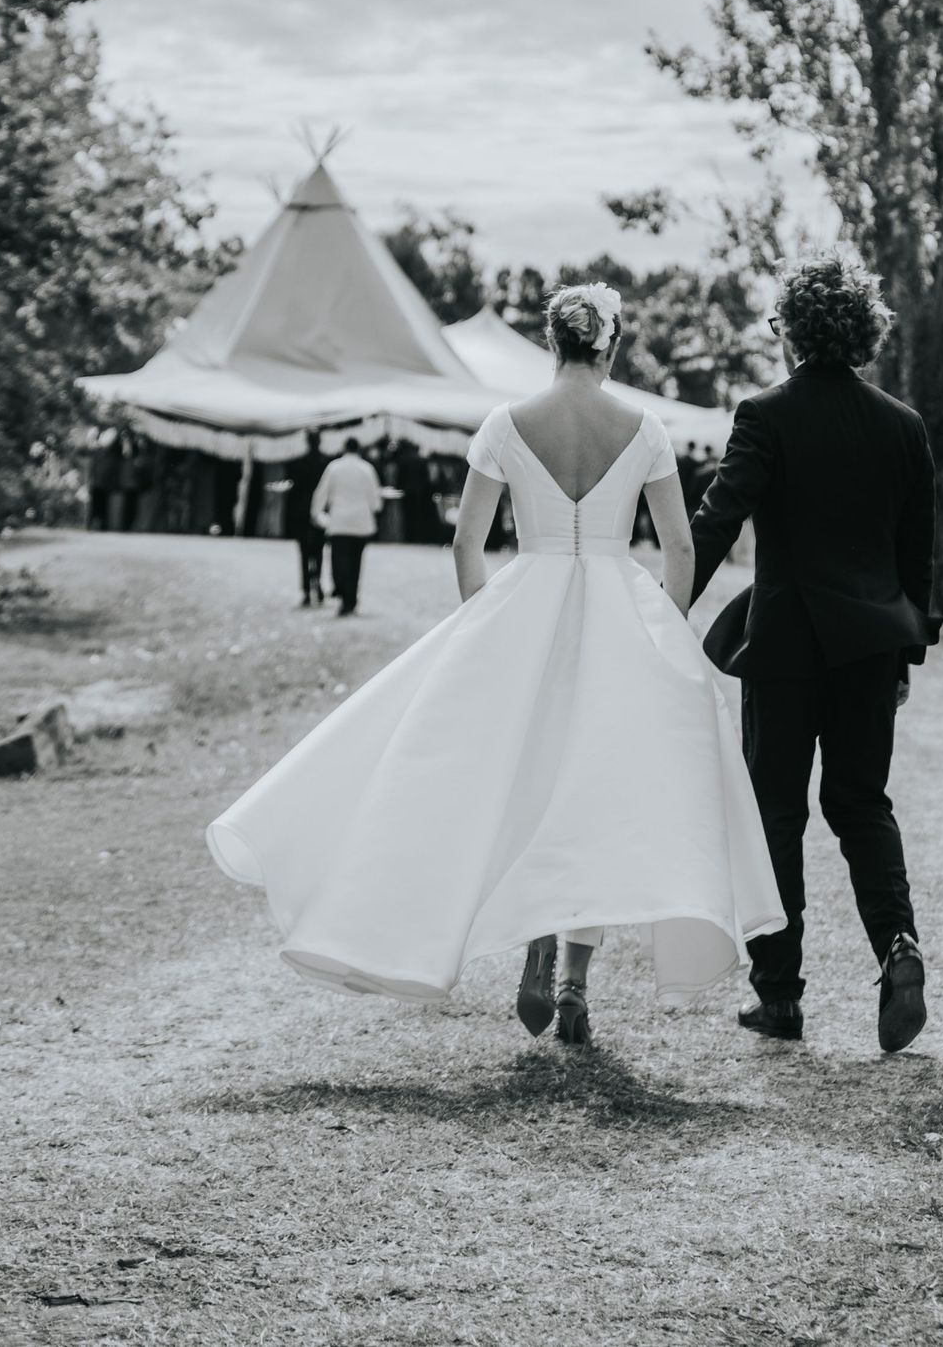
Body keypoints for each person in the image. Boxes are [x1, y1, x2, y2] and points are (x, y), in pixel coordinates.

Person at [206, 283, 781, 1038]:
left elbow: (466, 541)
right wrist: (663, 634)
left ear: (552, 343)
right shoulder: (644, 428)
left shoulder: (506, 424)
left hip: (526, 607)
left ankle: (537, 946)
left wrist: (487, 623)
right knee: (593, 795)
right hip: (617, 617)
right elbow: (678, 546)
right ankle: (573, 982)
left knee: (525, 782)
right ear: (609, 345)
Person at [689, 247, 940, 1055]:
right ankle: (898, 945)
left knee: (776, 812)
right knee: (862, 803)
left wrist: (662, 604)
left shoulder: (765, 414)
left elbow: (718, 520)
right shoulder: (903, 425)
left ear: (791, 329)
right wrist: (905, 660)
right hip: (872, 647)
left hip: (786, 646)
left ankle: (780, 998)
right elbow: (917, 558)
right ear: (863, 331)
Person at [311, 437, 384, 615]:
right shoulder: (367, 468)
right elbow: (375, 500)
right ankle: (351, 599)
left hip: (340, 521)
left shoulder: (334, 467)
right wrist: (374, 508)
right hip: (361, 522)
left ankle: (341, 589)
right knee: (356, 563)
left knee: (339, 560)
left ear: (344, 448)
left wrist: (316, 513)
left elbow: (321, 492)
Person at [283, 444, 329, 606]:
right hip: (319, 511)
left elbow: (294, 490)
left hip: (302, 513)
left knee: (304, 553)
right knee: (318, 551)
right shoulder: (325, 463)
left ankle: (307, 590)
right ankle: (318, 583)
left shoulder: (299, 462)